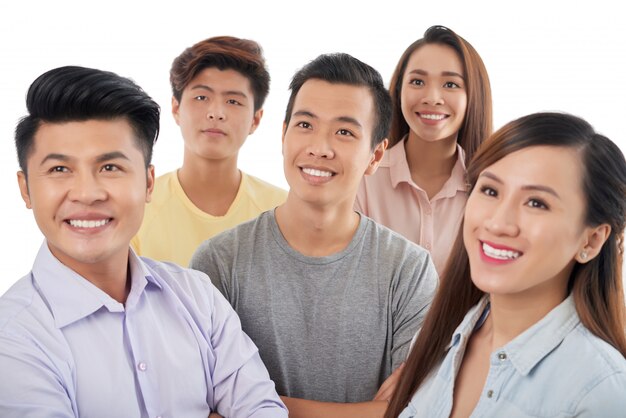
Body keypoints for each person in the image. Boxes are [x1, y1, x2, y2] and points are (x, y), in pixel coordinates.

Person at [0, 66, 287, 418]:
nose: (87, 194)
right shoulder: (12, 338)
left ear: (149, 183)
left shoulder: (198, 296)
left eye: (110, 167)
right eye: (60, 170)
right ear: (26, 188)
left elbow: (263, 408)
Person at [190, 53, 438, 417]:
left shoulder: (409, 270)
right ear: (283, 134)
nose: (319, 148)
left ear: (375, 155)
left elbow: (417, 410)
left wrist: (256, 406)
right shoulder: (218, 262)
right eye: (305, 125)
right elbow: (200, 404)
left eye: (344, 132)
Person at [384, 112, 626, 418]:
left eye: (536, 203)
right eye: (490, 191)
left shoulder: (601, 391)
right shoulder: (438, 339)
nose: (498, 222)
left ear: (590, 241)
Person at [132, 36, 287, 267]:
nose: (216, 113)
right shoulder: (138, 208)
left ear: (255, 119)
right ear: (176, 108)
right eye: (201, 97)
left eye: (233, 101)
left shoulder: (283, 210)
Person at [355, 25, 493, 274]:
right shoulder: (362, 178)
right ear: (398, 91)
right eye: (417, 81)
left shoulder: (490, 190)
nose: (432, 97)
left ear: (473, 96)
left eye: (450, 84)